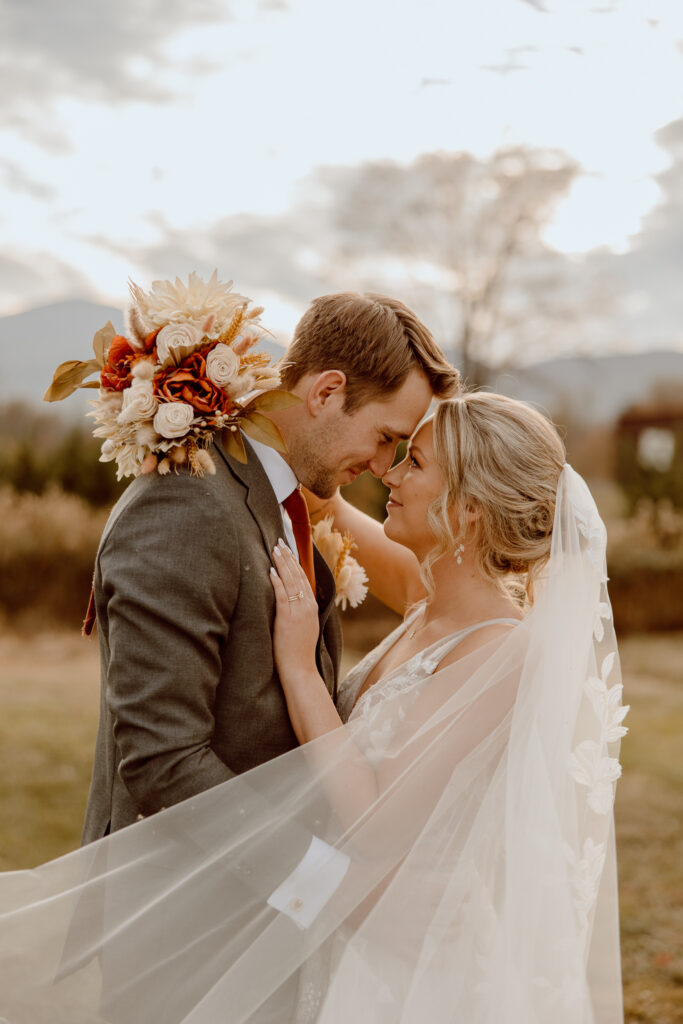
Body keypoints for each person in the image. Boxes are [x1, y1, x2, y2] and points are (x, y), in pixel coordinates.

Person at [0, 393, 625, 1023]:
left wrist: (300, 671)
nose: (392, 473)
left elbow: (376, 817)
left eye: (415, 462)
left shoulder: (503, 651)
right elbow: (318, 497)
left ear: (467, 509)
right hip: (349, 934)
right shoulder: (422, 614)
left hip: (411, 958)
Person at [82, 288, 459, 845]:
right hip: (176, 910)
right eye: (385, 438)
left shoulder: (279, 501)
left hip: (251, 915)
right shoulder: (186, 506)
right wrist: (316, 882)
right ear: (327, 392)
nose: (384, 467)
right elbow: (163, 759)